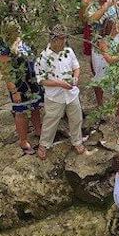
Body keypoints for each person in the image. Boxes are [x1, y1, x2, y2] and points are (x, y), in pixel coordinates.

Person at [34, 25, 86, 160]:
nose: (64, 42)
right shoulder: (43, 58)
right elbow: (41, 80)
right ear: (54, 39)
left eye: (65, 38)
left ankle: (77, 141)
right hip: (54, 96)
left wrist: (75, 78)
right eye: (62, 39)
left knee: (76, 119)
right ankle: (44, 145)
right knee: (50, 121)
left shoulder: (68, 51)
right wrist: (59, 83)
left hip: (72, 94)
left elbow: (77, 67)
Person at [0, 21, 44, 155]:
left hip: (32, 80)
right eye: (14, 28)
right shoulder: (4, 49)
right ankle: (23, 141)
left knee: (36, 106)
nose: (18, 29)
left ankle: (38, 129)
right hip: (19, 84)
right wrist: (14, 91)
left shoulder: (22, 41)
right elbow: (6, 71)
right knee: (21, 111)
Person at [82, 0, 119, 107]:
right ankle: (100, 105)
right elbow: (90, 21)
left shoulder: (114, 5)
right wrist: (105, 6)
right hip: (100, 46)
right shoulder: (92, 7)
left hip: (116, 42)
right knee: (100, 77)